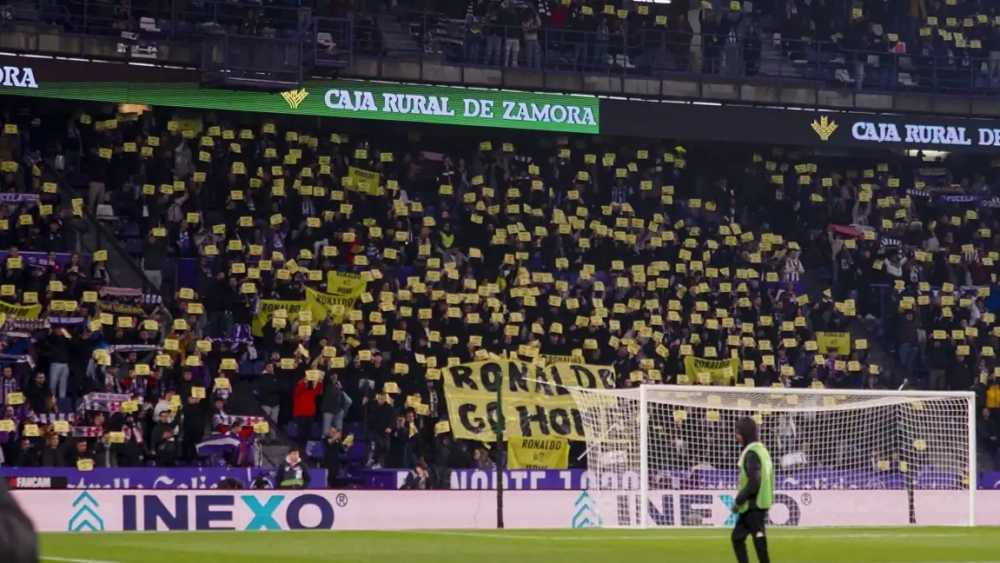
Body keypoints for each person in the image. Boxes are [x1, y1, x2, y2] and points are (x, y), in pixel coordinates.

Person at [731, 416, 773, 563]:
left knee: (758, 541)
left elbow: (754, 482)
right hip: (758, 502)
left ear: (745, 432)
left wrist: (738, 500)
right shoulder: (762, 450)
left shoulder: (751, 454)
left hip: (753, 503)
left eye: (738, 432)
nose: (736, 435)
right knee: (738, 537)